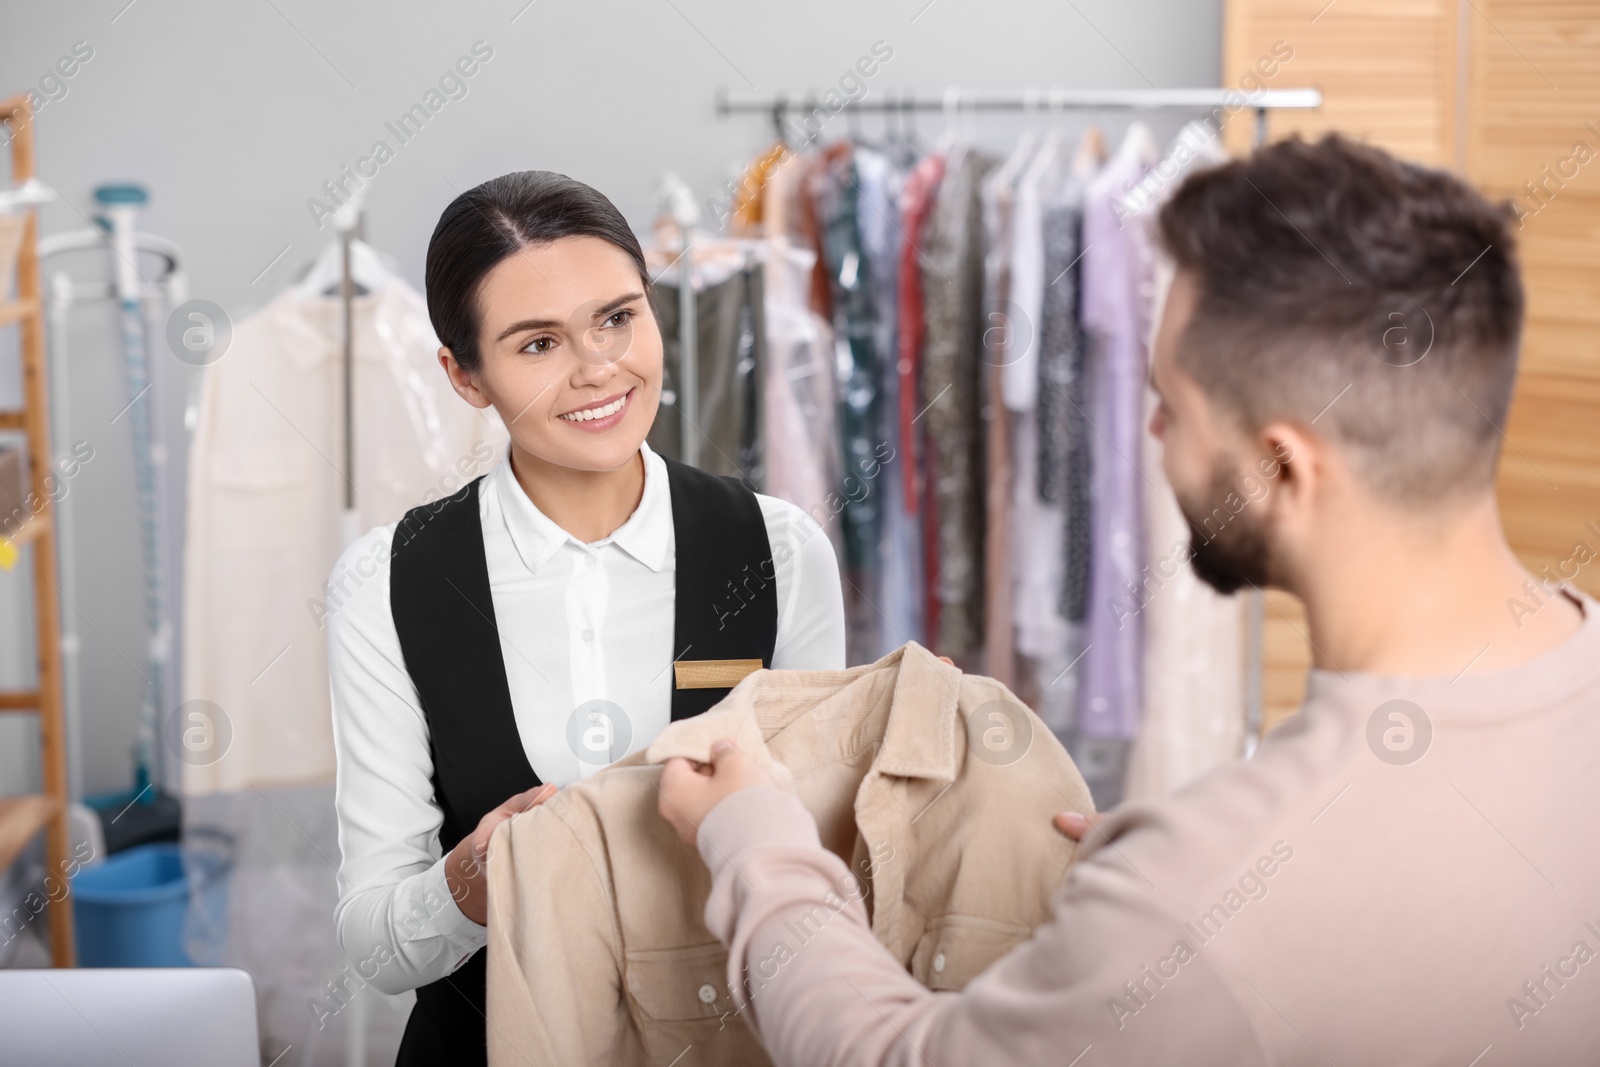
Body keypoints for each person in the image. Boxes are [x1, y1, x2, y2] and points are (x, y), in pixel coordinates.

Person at [657, 134, 1600, 1063]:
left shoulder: (1200, 895)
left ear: (1281, 465)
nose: (1150, 430)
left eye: (1172, 405)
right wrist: (1174, 886)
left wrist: (756, 843)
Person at [326, 171, 846, 1065]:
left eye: (618, 317)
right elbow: (374, 947)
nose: (599, 366)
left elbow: (825, 861)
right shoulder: (387, 582)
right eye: (537, 343)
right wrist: (467, 884)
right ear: (465, 376)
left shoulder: (783, 552)